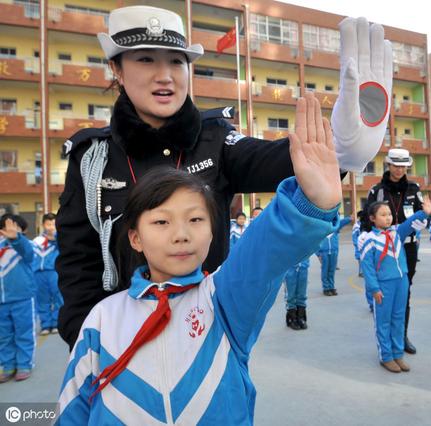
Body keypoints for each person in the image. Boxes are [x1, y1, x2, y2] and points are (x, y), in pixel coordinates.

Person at [56, 6, 394, 349]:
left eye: (176, 61)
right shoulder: (92, 157)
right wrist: (88, 343)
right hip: (121, 342)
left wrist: (340, 146)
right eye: (145, 60)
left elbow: (278, 160)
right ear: (116, 68)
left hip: (210, 333)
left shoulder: (214, 140)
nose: (165, 75)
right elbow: (78, 265)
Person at [57, 94, 343, 423]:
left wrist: (311, 203)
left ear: (213, 230)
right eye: (162, 222)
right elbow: (73, 409)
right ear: (135, 236)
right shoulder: (102, 319)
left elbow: (268, 250)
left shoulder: (224, 300)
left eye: (195, 220)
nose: (181, 234)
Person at [360, 200, 431, 373]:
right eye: (383, 215)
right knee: (383, 321)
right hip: (384, 285)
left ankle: (398, 353)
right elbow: (367, 268)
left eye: (389, 214)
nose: (388, 218)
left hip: (402, 281)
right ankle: (386, 356)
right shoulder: (368, 239)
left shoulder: (396, 233)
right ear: (372, 218)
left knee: (399, 318)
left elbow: (409, 223)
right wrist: (374, 289)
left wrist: (424, 213)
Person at [366, 148, 423, 354]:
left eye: (403, 166)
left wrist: (423, 220)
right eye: (396, 165)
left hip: (407, 247)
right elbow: (367, 218)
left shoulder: (414, 189)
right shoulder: (377, 190)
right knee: (384, 293)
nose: (399, 170)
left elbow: (421, 214)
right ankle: (385, 342)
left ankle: (401, 336)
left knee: (404, 293)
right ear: (388, 165)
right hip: (383, 247)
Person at [0, 215, 36, 382]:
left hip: (22, 297)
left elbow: (29, 255)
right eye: (6, 228)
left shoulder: (23, 245)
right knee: (4, 335)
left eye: (15, 228)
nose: (11, 232)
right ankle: (8, 365)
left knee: (23, 332)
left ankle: (24, 364)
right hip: (1, 301)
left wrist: (16, 238)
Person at [32, 213, 62, 335]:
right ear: (43, 225)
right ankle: (45, 325)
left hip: (53, 272)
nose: (50, 227)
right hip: (39, 273)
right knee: (42, 300)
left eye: (53, 224)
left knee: (57, 298)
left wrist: (56, 238)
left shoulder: (59, 240)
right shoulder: (37, 241)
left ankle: (56, 323)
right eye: (48, 224)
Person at [316, 216, 351, 296]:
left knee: (332, 270)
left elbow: (341, 223)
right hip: (324, 253)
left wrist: (349, 219)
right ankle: (326, 288)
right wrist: (318, 254)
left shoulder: (335, 229)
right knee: (325, 271)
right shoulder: (320, 231)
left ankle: (331, 287)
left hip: (333, 252)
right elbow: (315, 243)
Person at [283, 257, 310, 330]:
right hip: (290, 267)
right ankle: (292, 317)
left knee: (302, 292)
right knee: (290, 293)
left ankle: (301, 316)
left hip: (303, 266)